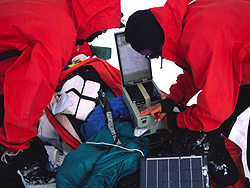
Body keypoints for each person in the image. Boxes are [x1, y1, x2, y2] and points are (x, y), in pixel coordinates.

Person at [125, 0, 250, 186]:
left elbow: (214, 111)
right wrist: (171, 100)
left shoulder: (204, 38)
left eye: (148, 53)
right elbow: (199, 69)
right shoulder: (185, 21)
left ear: (156, 40)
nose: (154, 57)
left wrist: (180, 121)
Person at [0, 0, 121, 187]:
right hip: (9, 87)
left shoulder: (56, 7)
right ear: (94, 21)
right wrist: (13, 146)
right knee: (9, 171)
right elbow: (28, 94)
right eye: (99, 32)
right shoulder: (59, 32)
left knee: (32, 148)